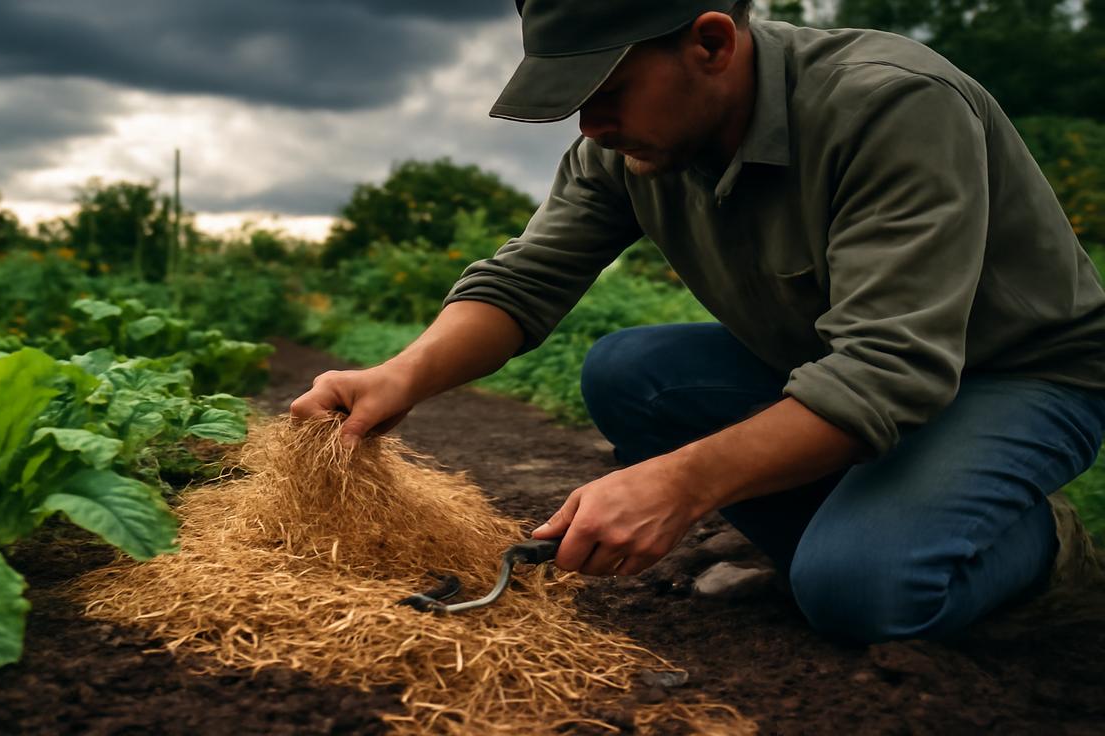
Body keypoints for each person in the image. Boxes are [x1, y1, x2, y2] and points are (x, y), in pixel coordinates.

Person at [291, 0, 1105, 643]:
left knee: (859, 592)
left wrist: (681, 483)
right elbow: (526, 279)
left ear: (712, 44)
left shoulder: (890, 105)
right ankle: (849, 520)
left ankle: (1044, 556)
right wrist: (399, 375)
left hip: (1013, 377)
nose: (590, 127)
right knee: (629, 374)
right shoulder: (629, 143)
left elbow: (887, 374)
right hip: (843, 370)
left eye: (605, 94)